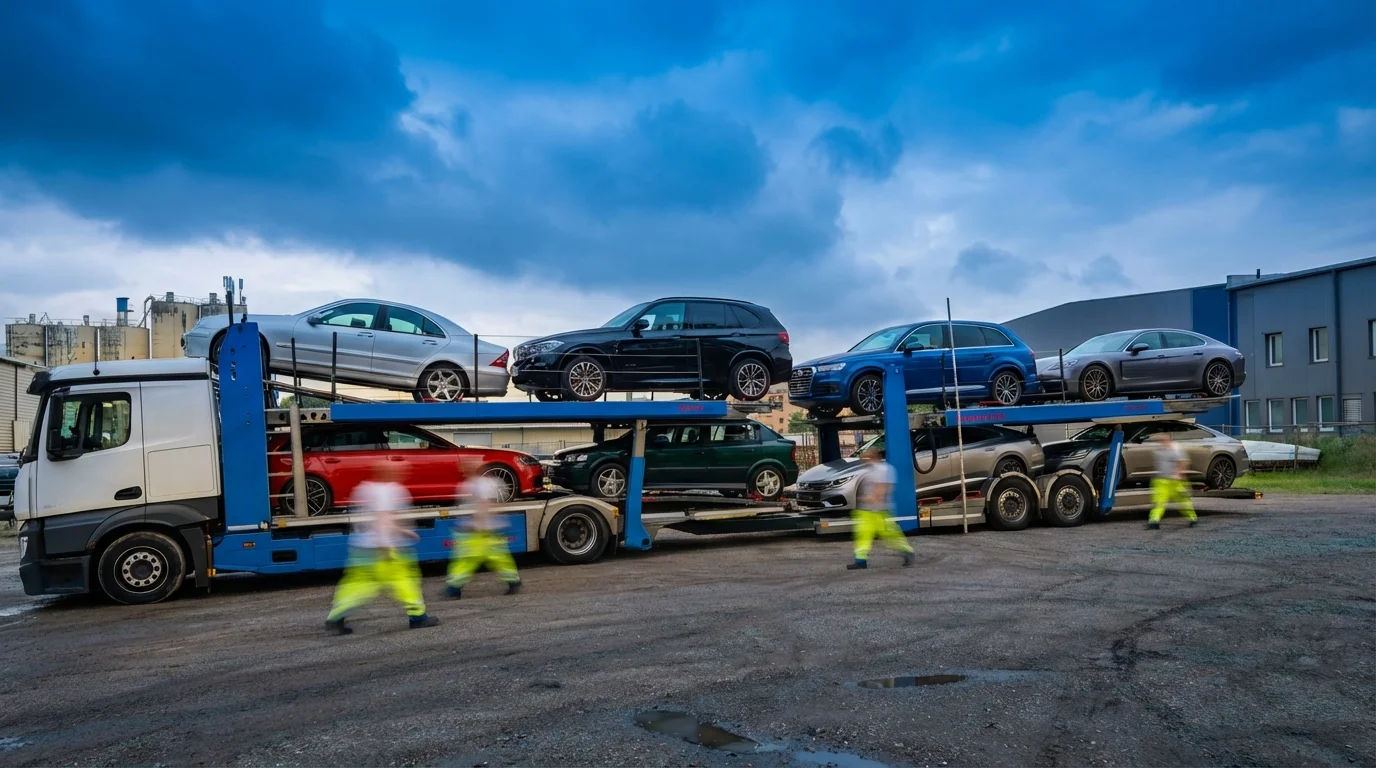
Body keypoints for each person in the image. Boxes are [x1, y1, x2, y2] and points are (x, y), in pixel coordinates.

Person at [325, 463, 439, 635]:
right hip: (385, 549)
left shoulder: (364, 488)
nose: (403, 473)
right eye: (399, 470)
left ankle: (335, 618)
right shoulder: (389, 490)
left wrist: (403, 531)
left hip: (362, 547)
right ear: (388, 472)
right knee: (406, 581)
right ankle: (418, 617)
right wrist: (386, 544)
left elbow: (374, 519)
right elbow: (383, 519)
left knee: (357, 585)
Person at [445, 456, 521, 598]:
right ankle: (513, 581)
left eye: (467, 467)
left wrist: (481, 524)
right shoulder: (471, 484)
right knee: (497, 557)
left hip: (482, 530)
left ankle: (454, 587)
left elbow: (486, 505)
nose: (464, 469)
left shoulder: (481, 484)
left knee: (469, 559)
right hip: (482, 529)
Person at [848, 446, 916, 569]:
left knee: (890, 534)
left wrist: (870, 498)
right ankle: (860, 560)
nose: (864, 461)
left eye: (866, 458)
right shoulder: (872, 469)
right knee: (863, 535)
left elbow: (882, 489)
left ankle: (907, 551)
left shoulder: (881, 469)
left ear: (874, 457)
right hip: (867, 510)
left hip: (878, 510)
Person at [1147, 432, 1198, 530]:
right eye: (1160, 440)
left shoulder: (1176, 449)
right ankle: (1154, 521)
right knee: (1159, 502)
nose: (1162, 442)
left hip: (1175, 481)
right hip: (1162, 481)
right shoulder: (1158, 450)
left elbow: (1184, 461)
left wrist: (1179, 473)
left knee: (1183, 502)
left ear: (1169, 439)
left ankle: (1193, 518)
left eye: (1164, 440)